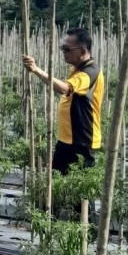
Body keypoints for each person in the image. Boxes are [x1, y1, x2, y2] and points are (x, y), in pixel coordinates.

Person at [23, 27, 104, 174]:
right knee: (57, 185)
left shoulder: (90, 72)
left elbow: (64, 89)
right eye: (62, 48)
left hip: (82, 142)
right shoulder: (77, 70)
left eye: (67, 49)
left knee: (79, 191)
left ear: (83, 51)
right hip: (67, 140)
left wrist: (36, 70)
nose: (63, 52)